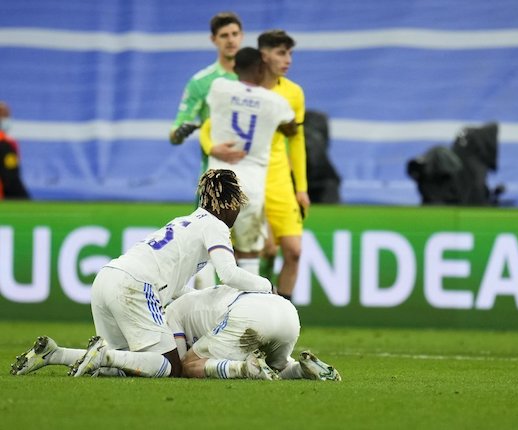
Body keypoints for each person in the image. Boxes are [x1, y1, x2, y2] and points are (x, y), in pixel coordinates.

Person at [11, 169, 272, 377]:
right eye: (238, 205)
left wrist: (200, 298)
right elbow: (228, 273)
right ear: (228, 204)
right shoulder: (215, 226)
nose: (238, 212)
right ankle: (101, 354)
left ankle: (54, 355)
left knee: (125, 365)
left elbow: (175, 284)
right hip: (134, 284)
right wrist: (266, 286)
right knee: (170, 366)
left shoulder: (184, 221)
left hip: (108, 278)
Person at [204, 47, 297, 275]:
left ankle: (197, 301)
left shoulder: (219, 88)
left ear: (235, 68)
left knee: (206, 243)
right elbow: (291, 128)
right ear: (261, 68)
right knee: (248, 251)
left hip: (218, 179)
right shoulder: (276, 102)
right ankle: (248, 304)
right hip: (252, 182)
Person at [169, 12, 246, 289]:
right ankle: (206, 320)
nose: (230, 40)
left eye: (234, 34)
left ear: (242, 36)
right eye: (224, 35)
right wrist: (181, 131)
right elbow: (176, 132)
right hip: (218, 180)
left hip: (256, 175)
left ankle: (254, 315)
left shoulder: (256, 78)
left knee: (255, 248)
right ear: (214, 40)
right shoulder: (202, 83)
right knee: (205, 247)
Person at [166, 284, 341, 381]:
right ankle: (301, 370)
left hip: (249, 316)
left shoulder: (171, 310)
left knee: (190, 365)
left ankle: (245, 369)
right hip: (286, 311)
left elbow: (180, 365)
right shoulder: (201, 295)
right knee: (278, 367)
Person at [258, 30, 310, 300]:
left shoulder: (294, 93)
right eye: (281, 53)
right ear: (264, 56)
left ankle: (282, 316)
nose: (287, 59)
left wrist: (301, 187)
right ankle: (257, 307)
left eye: (289, 53)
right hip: (252, 181)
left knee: (294, 251)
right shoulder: (244, 89)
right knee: (265, 249)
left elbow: (297, 141)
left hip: (280, 183)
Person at [0, 101, 29, 199]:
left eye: (7, 115)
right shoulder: (5, 145)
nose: (6, 119)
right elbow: (10, 178)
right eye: (3, 115)